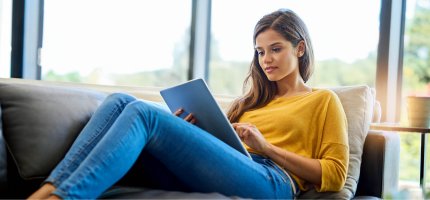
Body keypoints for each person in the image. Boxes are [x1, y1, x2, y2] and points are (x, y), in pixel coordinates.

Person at [28, 8, 348, 200]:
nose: (266, 59)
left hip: (273, 182)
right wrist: (188, 132)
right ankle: (48, 189)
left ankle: (63, 197)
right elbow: (222, 147)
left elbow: (334, 174)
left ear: (300, 48)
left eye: (276, 49)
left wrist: (266, 148)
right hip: (234, 165)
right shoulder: (250, 102)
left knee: (143, 113)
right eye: (260, 51)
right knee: (118, 101)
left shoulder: (322, 101)